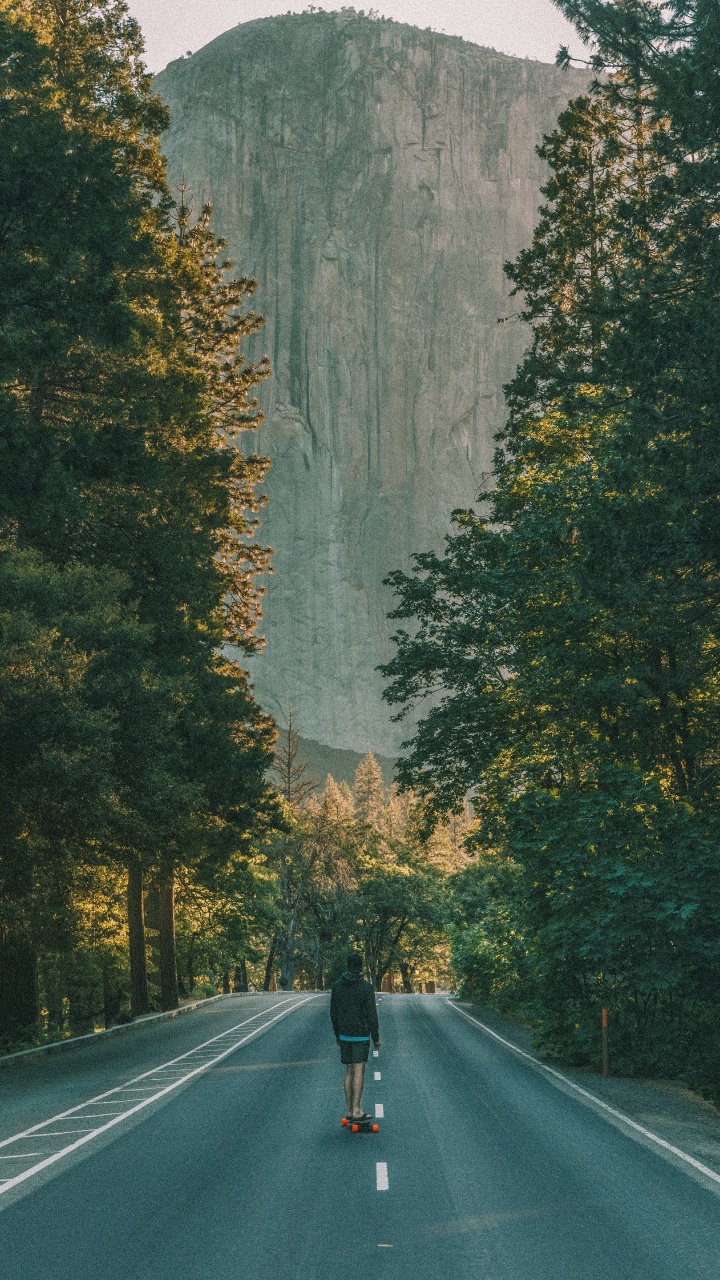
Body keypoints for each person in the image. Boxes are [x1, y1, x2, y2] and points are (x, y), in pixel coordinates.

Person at [330, 952, 380, 1121]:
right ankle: (357, 1109)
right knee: (359, 1069)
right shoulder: (365, 987)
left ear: (347, 965)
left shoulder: (337, 986)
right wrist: (376, 1037)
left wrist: (337, 1033)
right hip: (360, 1035)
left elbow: (333, 1012)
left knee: (349, 1071)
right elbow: (372, 1014)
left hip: (344, 1034)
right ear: (361, 967)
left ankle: (349, 1110)